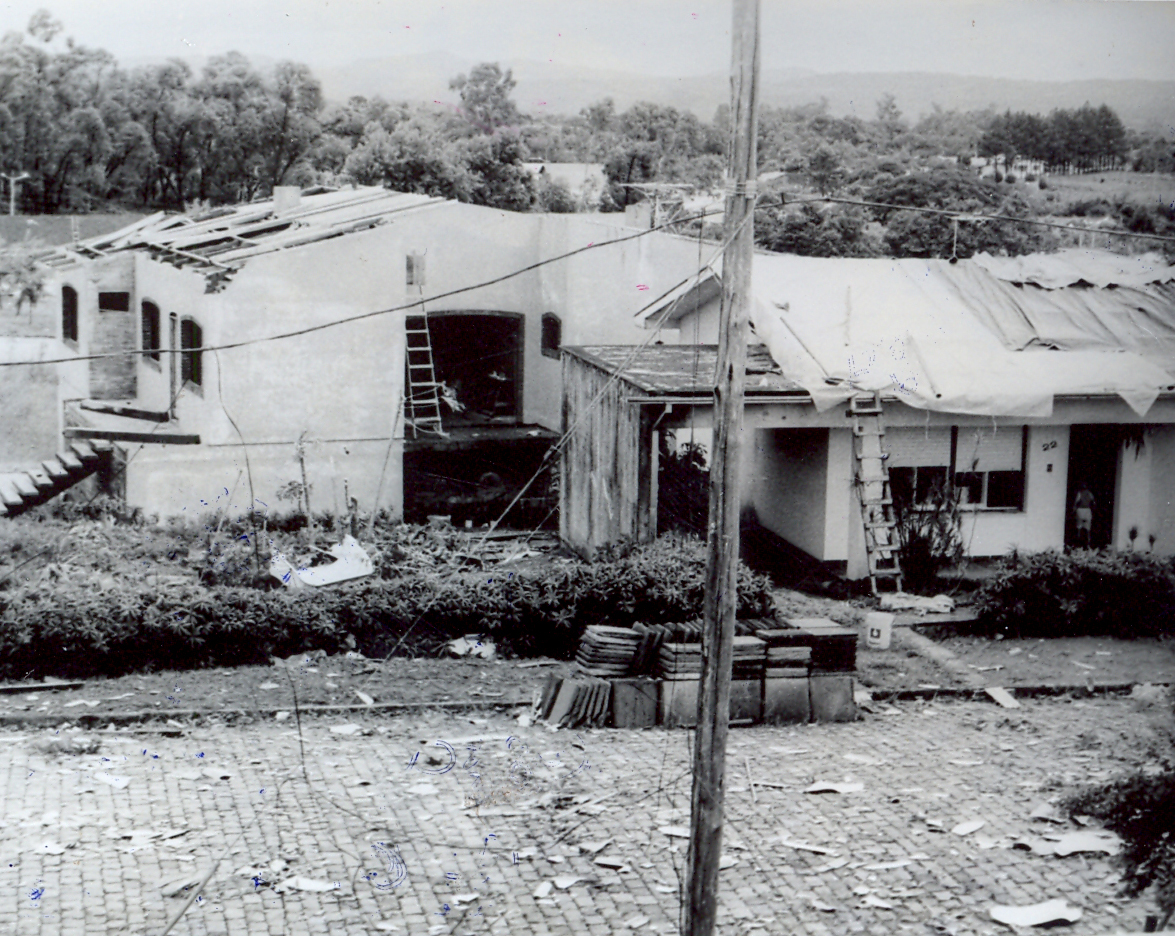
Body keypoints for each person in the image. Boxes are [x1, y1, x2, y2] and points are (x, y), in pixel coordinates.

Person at [1073, 482, 1096, 548]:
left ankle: (1078, 542)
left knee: (1079, 527)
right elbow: (1093, 502)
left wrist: (1074, 509)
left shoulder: (1079, 493)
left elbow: (1076, 502)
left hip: (1080, 510)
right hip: (1087, 510)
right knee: (1088, 528)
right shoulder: (1089, 493)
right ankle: (1088, 542)